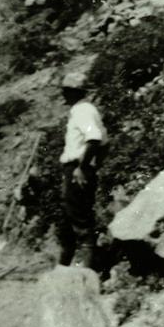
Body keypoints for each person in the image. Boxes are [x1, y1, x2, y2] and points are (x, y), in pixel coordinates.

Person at [58, 71, 107, 269]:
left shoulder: (83, 110)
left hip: (78, 170)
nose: (63, 95)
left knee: (80, 220)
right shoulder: (83, 111)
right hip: (76, 169)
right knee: (68, 221)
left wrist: (83, 168)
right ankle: (62, 269)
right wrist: (94, 165)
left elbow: (95, 139)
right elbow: (104, 143)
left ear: (72, 91)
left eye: (65, 91)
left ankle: (87, 273)